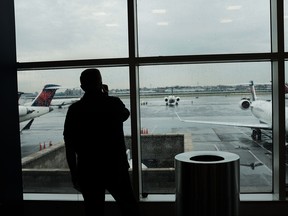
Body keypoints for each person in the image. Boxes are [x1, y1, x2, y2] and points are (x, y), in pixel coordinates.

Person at [63, 68, 140, 216]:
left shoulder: (75, 110)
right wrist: (106, 95)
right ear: (101, 83)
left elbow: (69, 144)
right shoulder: (113, 103)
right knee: (129, 207)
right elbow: (125, 114)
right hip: (115, 166)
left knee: (93, 211)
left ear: (82, 87)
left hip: (88, 169)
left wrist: (74, 173)